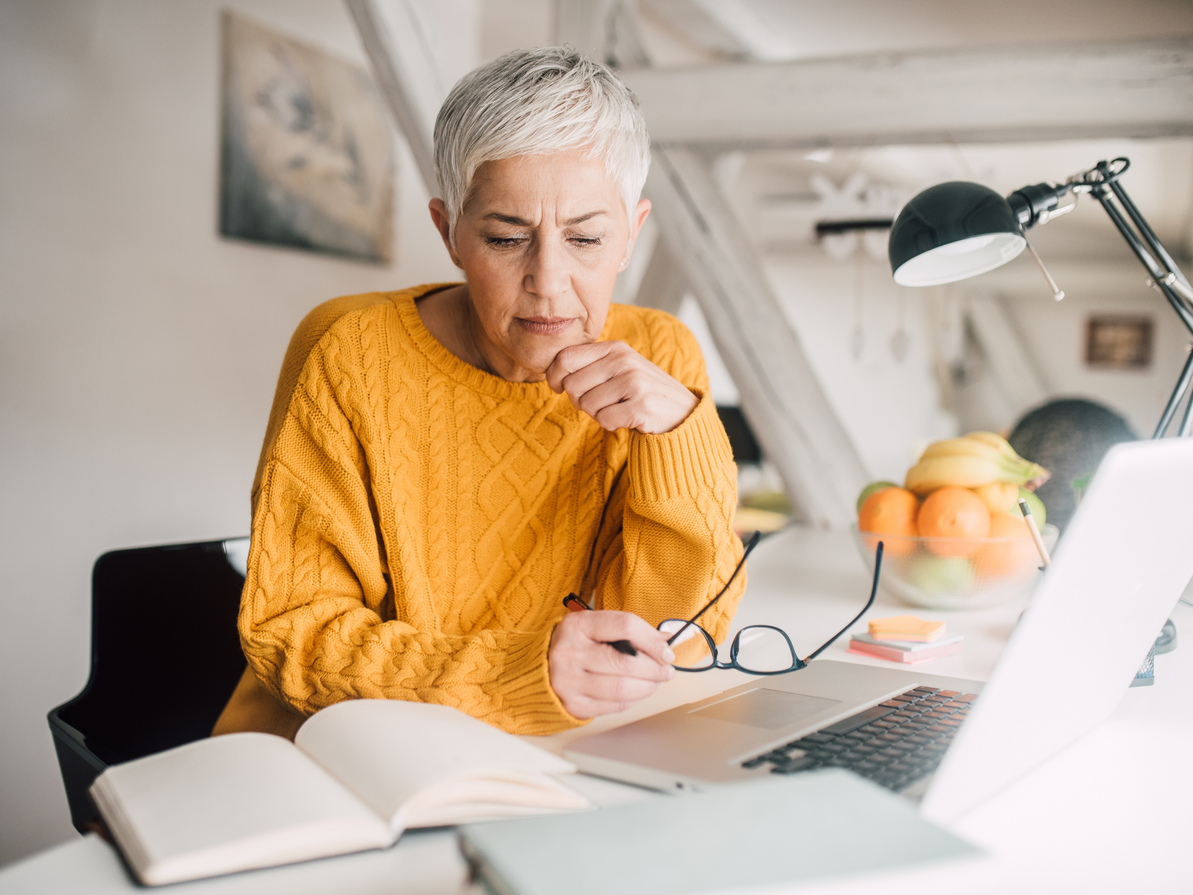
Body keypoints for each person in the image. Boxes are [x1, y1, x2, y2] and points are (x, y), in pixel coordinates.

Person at [213, 47, 744, 740]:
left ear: (631, 235)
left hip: (556, 751)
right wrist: (512, 672)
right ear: (449, 232)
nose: (548, 280)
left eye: (585, 237)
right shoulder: (347, 352)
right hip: (332, 750)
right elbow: (293, 633)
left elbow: (676, 634)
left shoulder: (662, 354)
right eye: (504, 237)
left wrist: (681, 438)